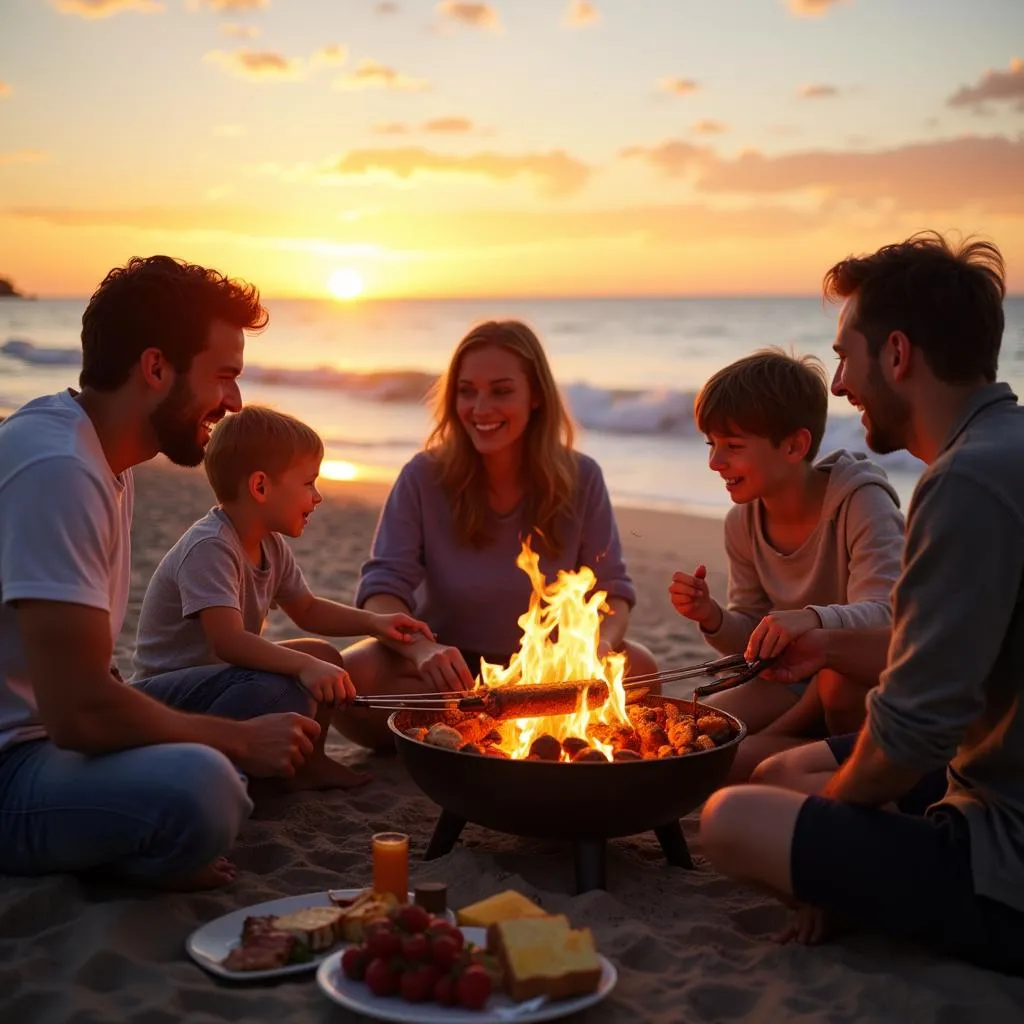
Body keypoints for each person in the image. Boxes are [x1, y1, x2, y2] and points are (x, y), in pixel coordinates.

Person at [699, 231, 1024, 974]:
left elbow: (910, 738)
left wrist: (831, 855)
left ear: (898, 355)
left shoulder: (966, 482)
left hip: (1004, 847)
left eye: (846, 357)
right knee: (775, 775)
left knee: (732, 816)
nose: (839, 384)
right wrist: (826, 643)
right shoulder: (1005, 450)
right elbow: (965, 654)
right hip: (988, 770)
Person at [0, 256, 321, 891]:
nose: (233, 402)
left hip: (58, 726)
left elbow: (93, 679)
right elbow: (78, 716)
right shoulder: (59, 468)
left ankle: (121, 820)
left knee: (279, 686)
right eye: (224, 376)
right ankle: (119, 841)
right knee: (204, 791)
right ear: (155, 368)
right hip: (15, 762)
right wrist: (232, 741)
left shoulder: (104, 457)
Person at [335, 319, 657, 750]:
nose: (480, 408)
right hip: (450, 679)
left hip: (549, 680)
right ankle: (489, 735)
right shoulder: (423, 476)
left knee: (643, 667)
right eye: (467, 391)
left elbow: (613, 593)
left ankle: (477, 741)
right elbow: (382, 591)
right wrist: (421, 651)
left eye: (501, 391)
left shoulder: (582, 477)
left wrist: (594, 652)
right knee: (351, 675)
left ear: (536, 396)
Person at [132, 405, 433, 789]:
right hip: (165, 698)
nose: (318, 496)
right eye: (308, 483)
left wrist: (374, 623)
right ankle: (217, 771)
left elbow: (306, 609)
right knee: (276, 685)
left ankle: (311, 761)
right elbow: (228, 642)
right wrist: (300, 668)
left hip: (221, 682)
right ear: (260, 487)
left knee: (322, 655)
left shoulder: (270, 545)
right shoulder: (210, 547)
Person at [669, 349, 904, 781]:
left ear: (794, 445)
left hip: (859, 683)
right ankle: (789, 747)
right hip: (790, 680)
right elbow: (753, 646)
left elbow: (889, 615)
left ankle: (820, 754)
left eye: (733, 446)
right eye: (711, 444)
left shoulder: (861, 502)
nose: (715, 462)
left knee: (732, 756)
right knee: (693, 731)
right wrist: (714, 618)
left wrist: (809, 620)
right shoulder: (742, 521)